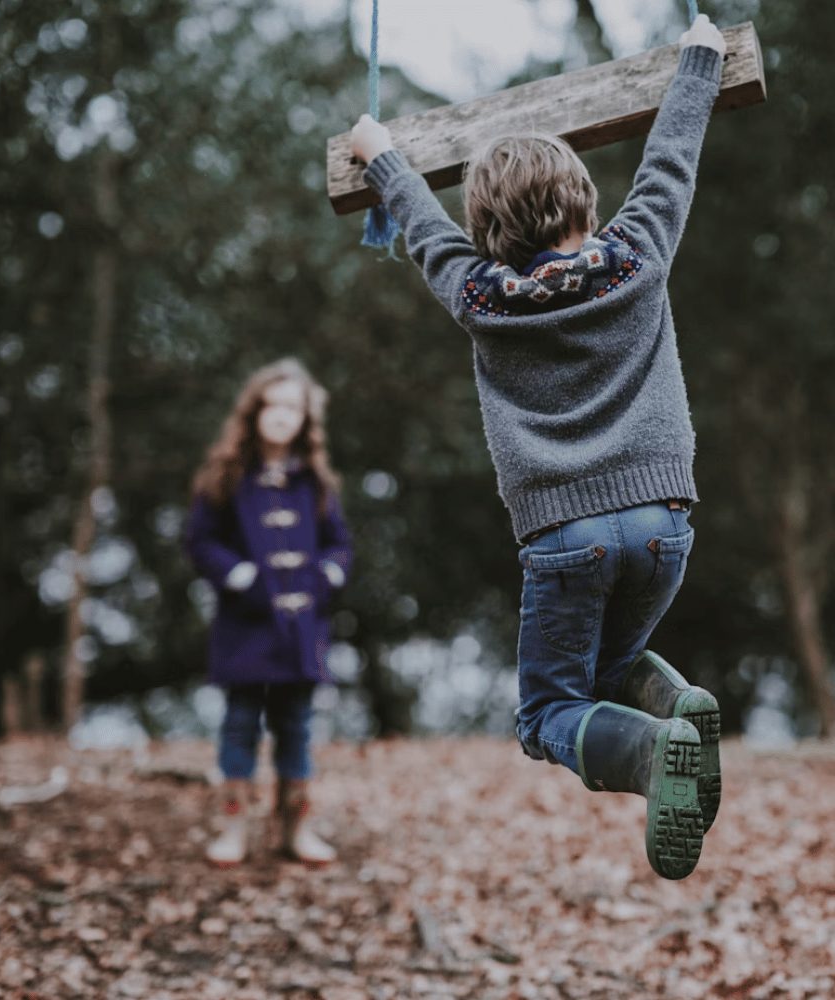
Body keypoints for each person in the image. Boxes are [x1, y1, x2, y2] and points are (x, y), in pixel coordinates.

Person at [348, 16, 726, 879]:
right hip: (664, 523)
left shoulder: (481, 295)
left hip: (566, 536)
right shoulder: (639, 256)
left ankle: (652, 753)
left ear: (491, 229)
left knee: (548, 712)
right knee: (615, 665)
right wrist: (699, 54)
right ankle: (682, 706)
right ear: (587, 200)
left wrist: (382, 154)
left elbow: (421, 228)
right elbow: (672, 158)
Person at [186, 358, 352, 867]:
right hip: (245, 626)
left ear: (306, 419)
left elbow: (339, 545)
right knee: (239, 723)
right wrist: (241, 577)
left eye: (293, 408)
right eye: (273, 405)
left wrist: (327, 576)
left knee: (297, 726)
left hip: (301, 630)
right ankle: (233, 827)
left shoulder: (316, 482)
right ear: (253, 411)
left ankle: (295, 828)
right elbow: (199, 540)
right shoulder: (226, 475)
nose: (282, 416)